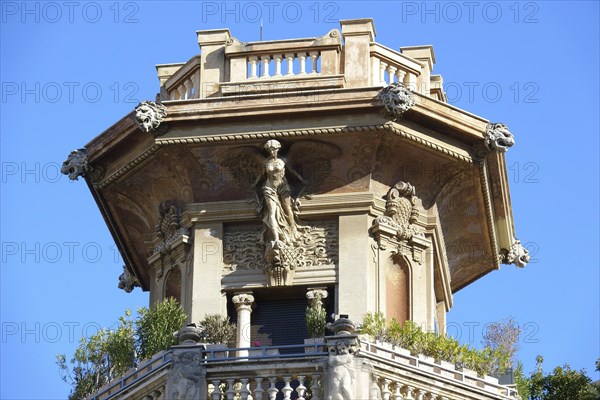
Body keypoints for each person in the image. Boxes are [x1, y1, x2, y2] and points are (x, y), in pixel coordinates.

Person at [254, 139, 306, 244]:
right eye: (269, 150)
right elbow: (261, 175)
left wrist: (302, 180)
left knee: (287, 208)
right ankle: (276, 237)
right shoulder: (266, 162)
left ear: (278, 149)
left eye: (274, 149)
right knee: (272, 213)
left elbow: (292, 172)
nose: (272, 152)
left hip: (283, 187)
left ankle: (293, 230)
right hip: (269, 188)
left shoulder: (283, 161)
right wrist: (254, 184)